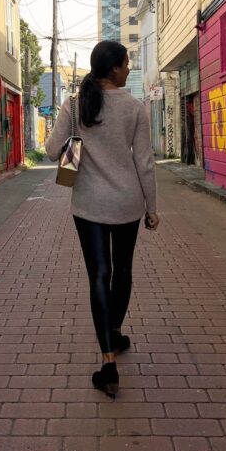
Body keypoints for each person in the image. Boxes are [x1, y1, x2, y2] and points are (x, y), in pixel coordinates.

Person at [46, 40, 159, 398]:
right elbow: (144, 162)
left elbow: (51, 151)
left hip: (89, 205)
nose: (129, 70)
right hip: (127, 203)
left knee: (99, 274)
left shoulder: (76, 103)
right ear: (113, 68)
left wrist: (78, 147)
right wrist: (152, 208)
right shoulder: (135, 109)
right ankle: (114, 331)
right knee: (122, 271)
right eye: (126, 64)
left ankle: (108, 361)